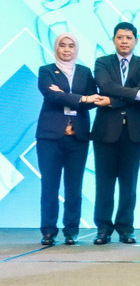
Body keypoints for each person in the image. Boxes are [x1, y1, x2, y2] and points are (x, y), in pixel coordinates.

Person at [36, 33, 105, 245]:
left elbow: (94, 100)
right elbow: (51, 95)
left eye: (71, 46)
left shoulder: (84, 72)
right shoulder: (46, 71)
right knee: (50, 185)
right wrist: (81, 98)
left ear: (76, 49)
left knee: (74, 186)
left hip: (78, 137)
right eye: (62, 46)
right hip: (50, 137)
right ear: (56, 48)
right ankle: (48, 230)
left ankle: (71, 230)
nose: (66, 50)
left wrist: (67, 95)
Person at [91, 22, 140, 245]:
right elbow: (105, 86)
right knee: (104, 182)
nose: (124, 41)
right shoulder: (102, 62)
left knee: (129, 183)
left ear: (136, 40)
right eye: (120, 37)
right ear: (114, 40)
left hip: (133, 133)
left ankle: (126, 228)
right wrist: (134, 94)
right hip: (105, 132)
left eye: (129, 37)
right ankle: (103, 228)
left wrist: (113, 100)